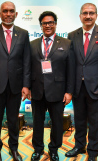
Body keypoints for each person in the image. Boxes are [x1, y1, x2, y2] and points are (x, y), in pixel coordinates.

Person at [65, 3, 98, 161]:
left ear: (96, 15)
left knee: (95, 122)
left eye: (91, 13)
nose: (88, 16)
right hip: (77, 87)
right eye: (85, 13)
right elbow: (70, 63)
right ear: (80, 16)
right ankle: (79, 146)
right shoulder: (72, 35)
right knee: (79, 119)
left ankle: (93, 152)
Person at [0, 1, 31, 161]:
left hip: (16, 86)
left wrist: (26, 85)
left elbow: (26, 61)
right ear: (0, 14)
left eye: (11, 11)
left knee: (13, 120)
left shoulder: (23, 34)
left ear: (16, 14)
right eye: (5, 11)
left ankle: (14, 149)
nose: (8, 14)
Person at [30, 11, 75, 161]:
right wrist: (27, 87)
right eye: (44, 23)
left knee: (57, 123)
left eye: (50, 22)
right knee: (37, 123)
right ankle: (37, 149)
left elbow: (71, 69)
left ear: (55, 24)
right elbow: (28, 68)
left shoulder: (66, 43)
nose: (47, 25)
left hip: (58, 91)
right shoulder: (32, 44)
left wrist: (69, 91)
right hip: (37, 91)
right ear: (41, 26)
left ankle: (54, 149)